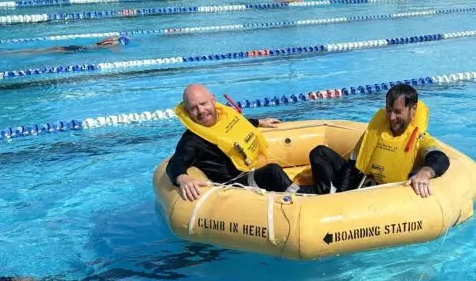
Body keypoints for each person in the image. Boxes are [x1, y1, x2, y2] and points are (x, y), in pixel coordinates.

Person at [305, 83, 450, 198]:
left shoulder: (420, 139)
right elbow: (352, 166)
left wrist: (425, 172)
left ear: (413, 110)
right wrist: (342, 196)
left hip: (387, 196)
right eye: (388, 110)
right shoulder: (375, 132)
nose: (391, 117)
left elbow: (440, 158)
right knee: (319, 153)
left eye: (398, 112)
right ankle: (326, 195)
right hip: (361, 182)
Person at [167, 84, 298, 201]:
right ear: (188, 112)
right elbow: (175, 162)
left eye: (203, 104)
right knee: (272, 171)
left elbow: (237, 127)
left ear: (213, 100)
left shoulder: (223, 119)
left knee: (317, 154)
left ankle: (305, 191)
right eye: (193, 108)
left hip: (246, 175)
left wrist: (259, 122)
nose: (201, 111)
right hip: (232, 187)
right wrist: (182, 178)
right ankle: (303, 197)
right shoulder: (192, 140)